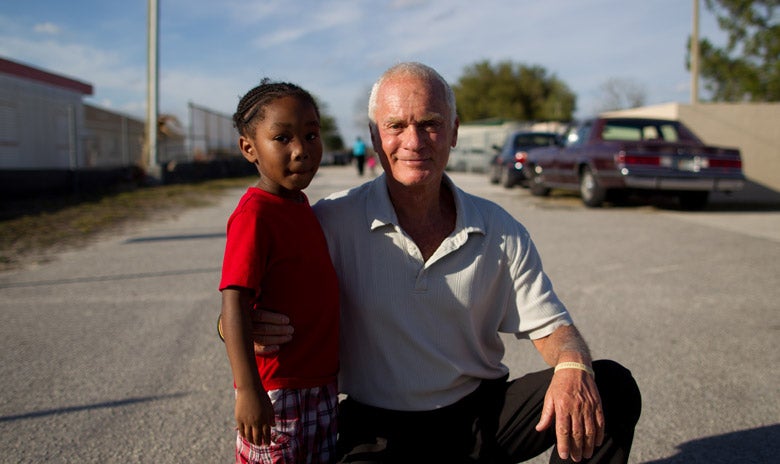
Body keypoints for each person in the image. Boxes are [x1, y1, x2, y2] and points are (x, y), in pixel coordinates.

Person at [249, 62, 641, 463]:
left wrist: (573, 365)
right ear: (373, 137)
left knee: (608, 386)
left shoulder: (499, 229)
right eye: (396, 125)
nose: (414, 141)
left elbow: (553, 328)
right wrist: (238, 327)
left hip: (480, 415)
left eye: (431, 123)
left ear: (453, 131)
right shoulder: (331, 221)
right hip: (377, 427)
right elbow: (247, 297)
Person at [219, 79, 340, 464]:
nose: (302, 150)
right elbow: (234, 303)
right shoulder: (254, 215)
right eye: (282, 138)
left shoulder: (301, 206)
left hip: (319, 385)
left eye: (311, 134)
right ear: (248, 148)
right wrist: (247, 391)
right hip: (277, 390)